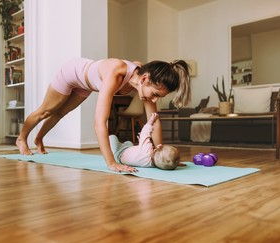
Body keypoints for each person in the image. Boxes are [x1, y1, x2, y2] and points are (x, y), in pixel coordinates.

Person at [16, 57, 191, 173]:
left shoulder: (145, 82)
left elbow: (154, 122)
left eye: (158, 97)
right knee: (46, 111)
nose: (154, 100)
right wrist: (111, 163)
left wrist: (161, 156)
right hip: (71, 73)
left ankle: (39, 139)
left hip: (85, 85)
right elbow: (100, 123)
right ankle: (22, 138)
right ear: (145, 79)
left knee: (61, 113)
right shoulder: (116, 73)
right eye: (155, 95)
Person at [109, 113, 180, 172]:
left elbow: (145, 132)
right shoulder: (152, 164)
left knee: (112, 137)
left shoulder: (147, 150)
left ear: (159, 147)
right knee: (129, 143)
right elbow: (141, 155)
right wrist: (173, 162)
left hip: (118, 153)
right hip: (127, 150)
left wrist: (151, 121)